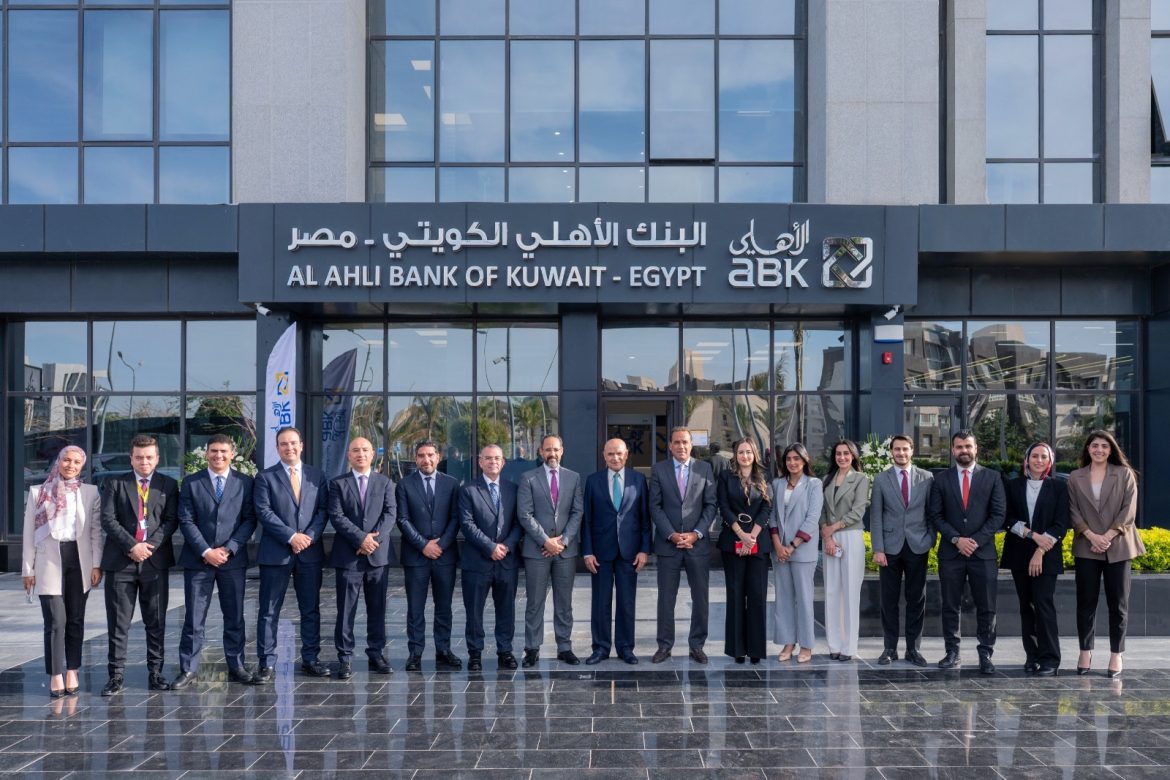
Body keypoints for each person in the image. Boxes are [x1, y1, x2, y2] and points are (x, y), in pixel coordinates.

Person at [173, 434, 257, 689]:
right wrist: (206, 551)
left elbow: (250, 519)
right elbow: (186, 520)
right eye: (213, 451)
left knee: (234, 616)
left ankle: (237, 664)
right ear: (206, 453)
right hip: (199, 561)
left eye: (223, 451)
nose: (218, 455)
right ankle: (189, 668)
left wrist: (230, 548)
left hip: (233, 561)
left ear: (232, 454)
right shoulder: (191, 482)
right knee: (194, 617)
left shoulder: (245, 482)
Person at [99, 434, 180, 696]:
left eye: (149, 457)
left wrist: (148, 546)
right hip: (121, 562)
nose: (144, 462)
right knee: (118, 623)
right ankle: (115, 676)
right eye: (139, 457)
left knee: (155, 621)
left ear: (157, 458)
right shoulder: (115, 483)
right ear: (131, 459)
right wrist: (132, 546)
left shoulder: (169, 484)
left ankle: (156, 673)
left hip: (154, 563)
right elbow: (108, 519)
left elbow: (171, 521)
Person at [22, 446, 103, 697]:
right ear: (58, 461)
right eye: (66, 460)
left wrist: (96, 564)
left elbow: (95, 532)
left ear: (82, 466)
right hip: (48, 562)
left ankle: (73, 670)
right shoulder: (38, 492)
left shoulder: (90, 492)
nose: (71, 465)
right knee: (56, 621)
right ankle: (56, 673)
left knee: (76, 619)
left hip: (80, 561)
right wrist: (27, 569)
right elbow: (28, 534)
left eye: (77, 462)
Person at [253, 426, 330, 682]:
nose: (289, 448)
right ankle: (266, 662)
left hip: (309, 552)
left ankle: (311, 659)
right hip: (276, 553)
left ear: (301, 445)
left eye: (293, 443)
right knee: (268, 610)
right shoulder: (265, 477)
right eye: (284, 444)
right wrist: (291, 536)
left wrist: (308, 537)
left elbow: (323, 511)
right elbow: (264, 512)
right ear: (277, 448)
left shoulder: (317, 476)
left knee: (310, 609)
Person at [927, 430, 1007, 674]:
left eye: (968, 446)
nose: (964, 450)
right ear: (953, 450)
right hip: (951, 554)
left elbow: (998, 515)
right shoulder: (940, 480)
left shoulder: (992, 477)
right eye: (959, 447)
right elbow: (936, 515)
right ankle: (952, 652)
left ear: (976, 449)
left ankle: (986, 654)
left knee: (987, 606)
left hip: (983, 554)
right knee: (950, 605)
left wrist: (974, 541)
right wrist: (956, 539)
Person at [1067, 430, 1143, 679]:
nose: (1099, 450)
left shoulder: (1124, 474)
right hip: (1087, 546)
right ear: (1088, 449)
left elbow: (1128, 511)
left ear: (1111, 450)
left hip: (1118, 545)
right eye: (1094, 446)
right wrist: (1092, 536)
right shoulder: (1075, 477)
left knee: (1118, 604)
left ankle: (1116, 654)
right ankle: (1085, 651)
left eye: (1104, 446)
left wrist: (1107, 536)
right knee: (1085, 603)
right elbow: (1073, 511)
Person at [328, 436, 398, 679]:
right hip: (348, 556)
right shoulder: (338, 484)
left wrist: (372, 542)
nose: (361, 454)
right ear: (349, 455)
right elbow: (336, 516)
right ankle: (345, 657)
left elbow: (390, 514)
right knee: (345, 610)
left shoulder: (385, 482)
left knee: (377, 608)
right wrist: (361, 539)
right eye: (356, 450)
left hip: (377, 557)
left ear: (372, 454)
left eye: (365, 450)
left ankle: (376, 653)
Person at [649, 426, 718, 664]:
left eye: (685, 442)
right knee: (666, 599)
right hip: (668, 546)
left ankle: (696, 645)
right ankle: (664, 646)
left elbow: (711, 504)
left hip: (697, 546)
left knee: (700, 598)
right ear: (670, 445)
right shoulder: (659, 469)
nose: (681, 446)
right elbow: (655, 506)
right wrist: (671, 534)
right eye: (676, 442)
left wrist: (696, 534)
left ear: (691, 445)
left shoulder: (704, 469)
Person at [1001, 442, 1068, 676]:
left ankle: (1050, 659)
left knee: (1043, 604)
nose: (1039, 460)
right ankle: (1032, 656)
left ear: (1050, 462)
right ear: (1027, 459)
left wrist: (1040, 549)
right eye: (1035, 456)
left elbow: (1061, 523)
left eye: (1044, 457)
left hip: (1048, 554)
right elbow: (1007, 518)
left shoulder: (1059, 487)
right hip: (1019, 553)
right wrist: (1032, 535)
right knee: (1026, 606)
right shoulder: (1012, 485)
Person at [396, 439, 463, 672]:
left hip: (445, 556)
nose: (426, 459)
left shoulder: (451, 484)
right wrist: (424, 545)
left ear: (438, 457)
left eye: (430, 455)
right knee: (415, 607)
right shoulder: (404, 485)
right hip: (416, 556)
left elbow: (456, 518)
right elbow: (402, 519)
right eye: (421, 456)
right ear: (416, 459)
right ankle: (415, 652)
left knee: (444, 606)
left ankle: (443, 649)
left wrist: (440, 544)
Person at [582, 438, 651, 665]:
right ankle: (600, 648)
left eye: (619, 453)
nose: (615, 458)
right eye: (610, 454)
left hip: (629, 552)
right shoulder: (592, 481)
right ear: (604, 455)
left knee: (626, 602)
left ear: (626, 454)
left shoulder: (638, 480)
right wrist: (587, 551)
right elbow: (587, 520)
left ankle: (625, 648)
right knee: (600, 602)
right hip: (600, 553)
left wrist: (644, 549)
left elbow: (645, 518)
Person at [517, 435, 585, 666]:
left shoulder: (573, 477)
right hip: (537, 551)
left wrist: (563, 541)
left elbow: (577, 512)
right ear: (540, 452)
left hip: (565, 551)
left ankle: (564, 647)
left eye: (555, 449)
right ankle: (532, 648)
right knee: (535, 602)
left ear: (562, 451)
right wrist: (546, 541)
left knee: (564, 603)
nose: (552, 454)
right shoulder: (528, 478)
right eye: (547, 450)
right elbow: (524, 514)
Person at [869, 434, 935, 666]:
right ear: (892, 452)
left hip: (918, 546)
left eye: (905, 449)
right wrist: (878, 548)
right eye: (897, 449)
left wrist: (930, 539)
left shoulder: (927, 478)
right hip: (890, 547)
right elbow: (876, 516)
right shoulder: (881, 479)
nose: (901, 453)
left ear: (912, 450)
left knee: (916, 599)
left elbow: (931, 512)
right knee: (889, 600)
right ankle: (890, 648)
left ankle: (913, 649)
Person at [458, 444, 521, 672]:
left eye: (497, 458)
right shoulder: (468, 490)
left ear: (503, 462)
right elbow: (467, 524)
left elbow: (518, 523)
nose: (493, 462)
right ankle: (475, 653)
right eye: (488, 458)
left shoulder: (513, 489)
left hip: (506, 560)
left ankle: (505, 651)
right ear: (480, 462)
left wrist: (506, 546)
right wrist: (490, 547)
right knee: (474, 611)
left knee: (506, 610)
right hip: (477, 561)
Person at [715, 437, 772, 664]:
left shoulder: (765, 476)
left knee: (757, 596)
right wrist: (741, 534)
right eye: (741, 452)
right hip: (733, 542)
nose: (745, 456)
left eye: (748, 452)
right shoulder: (725, 476)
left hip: (758, 543)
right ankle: (737, 649)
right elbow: (723, 506)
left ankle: (756, 649)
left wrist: (752, 536)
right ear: (735, 455)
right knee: (736, 595)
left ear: (754, 454)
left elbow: (767, 508)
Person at [769, 443, 823, 664]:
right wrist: (778, 545)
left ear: (804, 460)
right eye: (789, 459)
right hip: (780, 551)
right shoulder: (777, 484)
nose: (792, 462)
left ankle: (806, 644)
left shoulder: (814, 484)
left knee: (804, 599)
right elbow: (772, 516)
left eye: (796, 459)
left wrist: (792, 546)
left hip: (802, 550)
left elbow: (812, 518)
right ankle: (788, 642)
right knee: (783, 599)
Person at [820, 439, 870, 662]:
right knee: (832, 591)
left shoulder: (860, 479)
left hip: (850, 535)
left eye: (846, 454)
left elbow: (858, 511)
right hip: (829, 538)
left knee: (850, 593)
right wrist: (827, 535)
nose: (842, 457)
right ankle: (834, 644)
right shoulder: (827, 480)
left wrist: (833, 528)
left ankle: (849, 647)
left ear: (853, 456)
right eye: (838, 453)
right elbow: (822, 510)